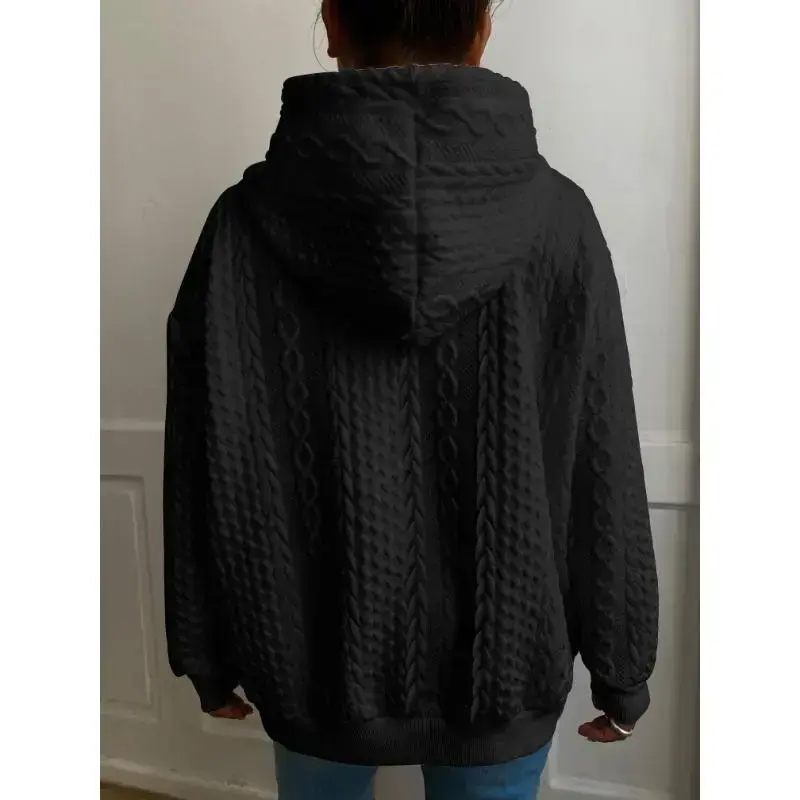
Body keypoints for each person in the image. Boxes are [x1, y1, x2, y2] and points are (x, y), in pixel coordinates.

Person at [163, 1, 659, 798]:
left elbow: (201, 452)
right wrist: (622, 665)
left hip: (312, 664)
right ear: (483, 28)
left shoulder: (241, 226)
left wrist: (206, 650)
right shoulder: (562, 222)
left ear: (332, 23)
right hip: (505, 668)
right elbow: (602, 459)